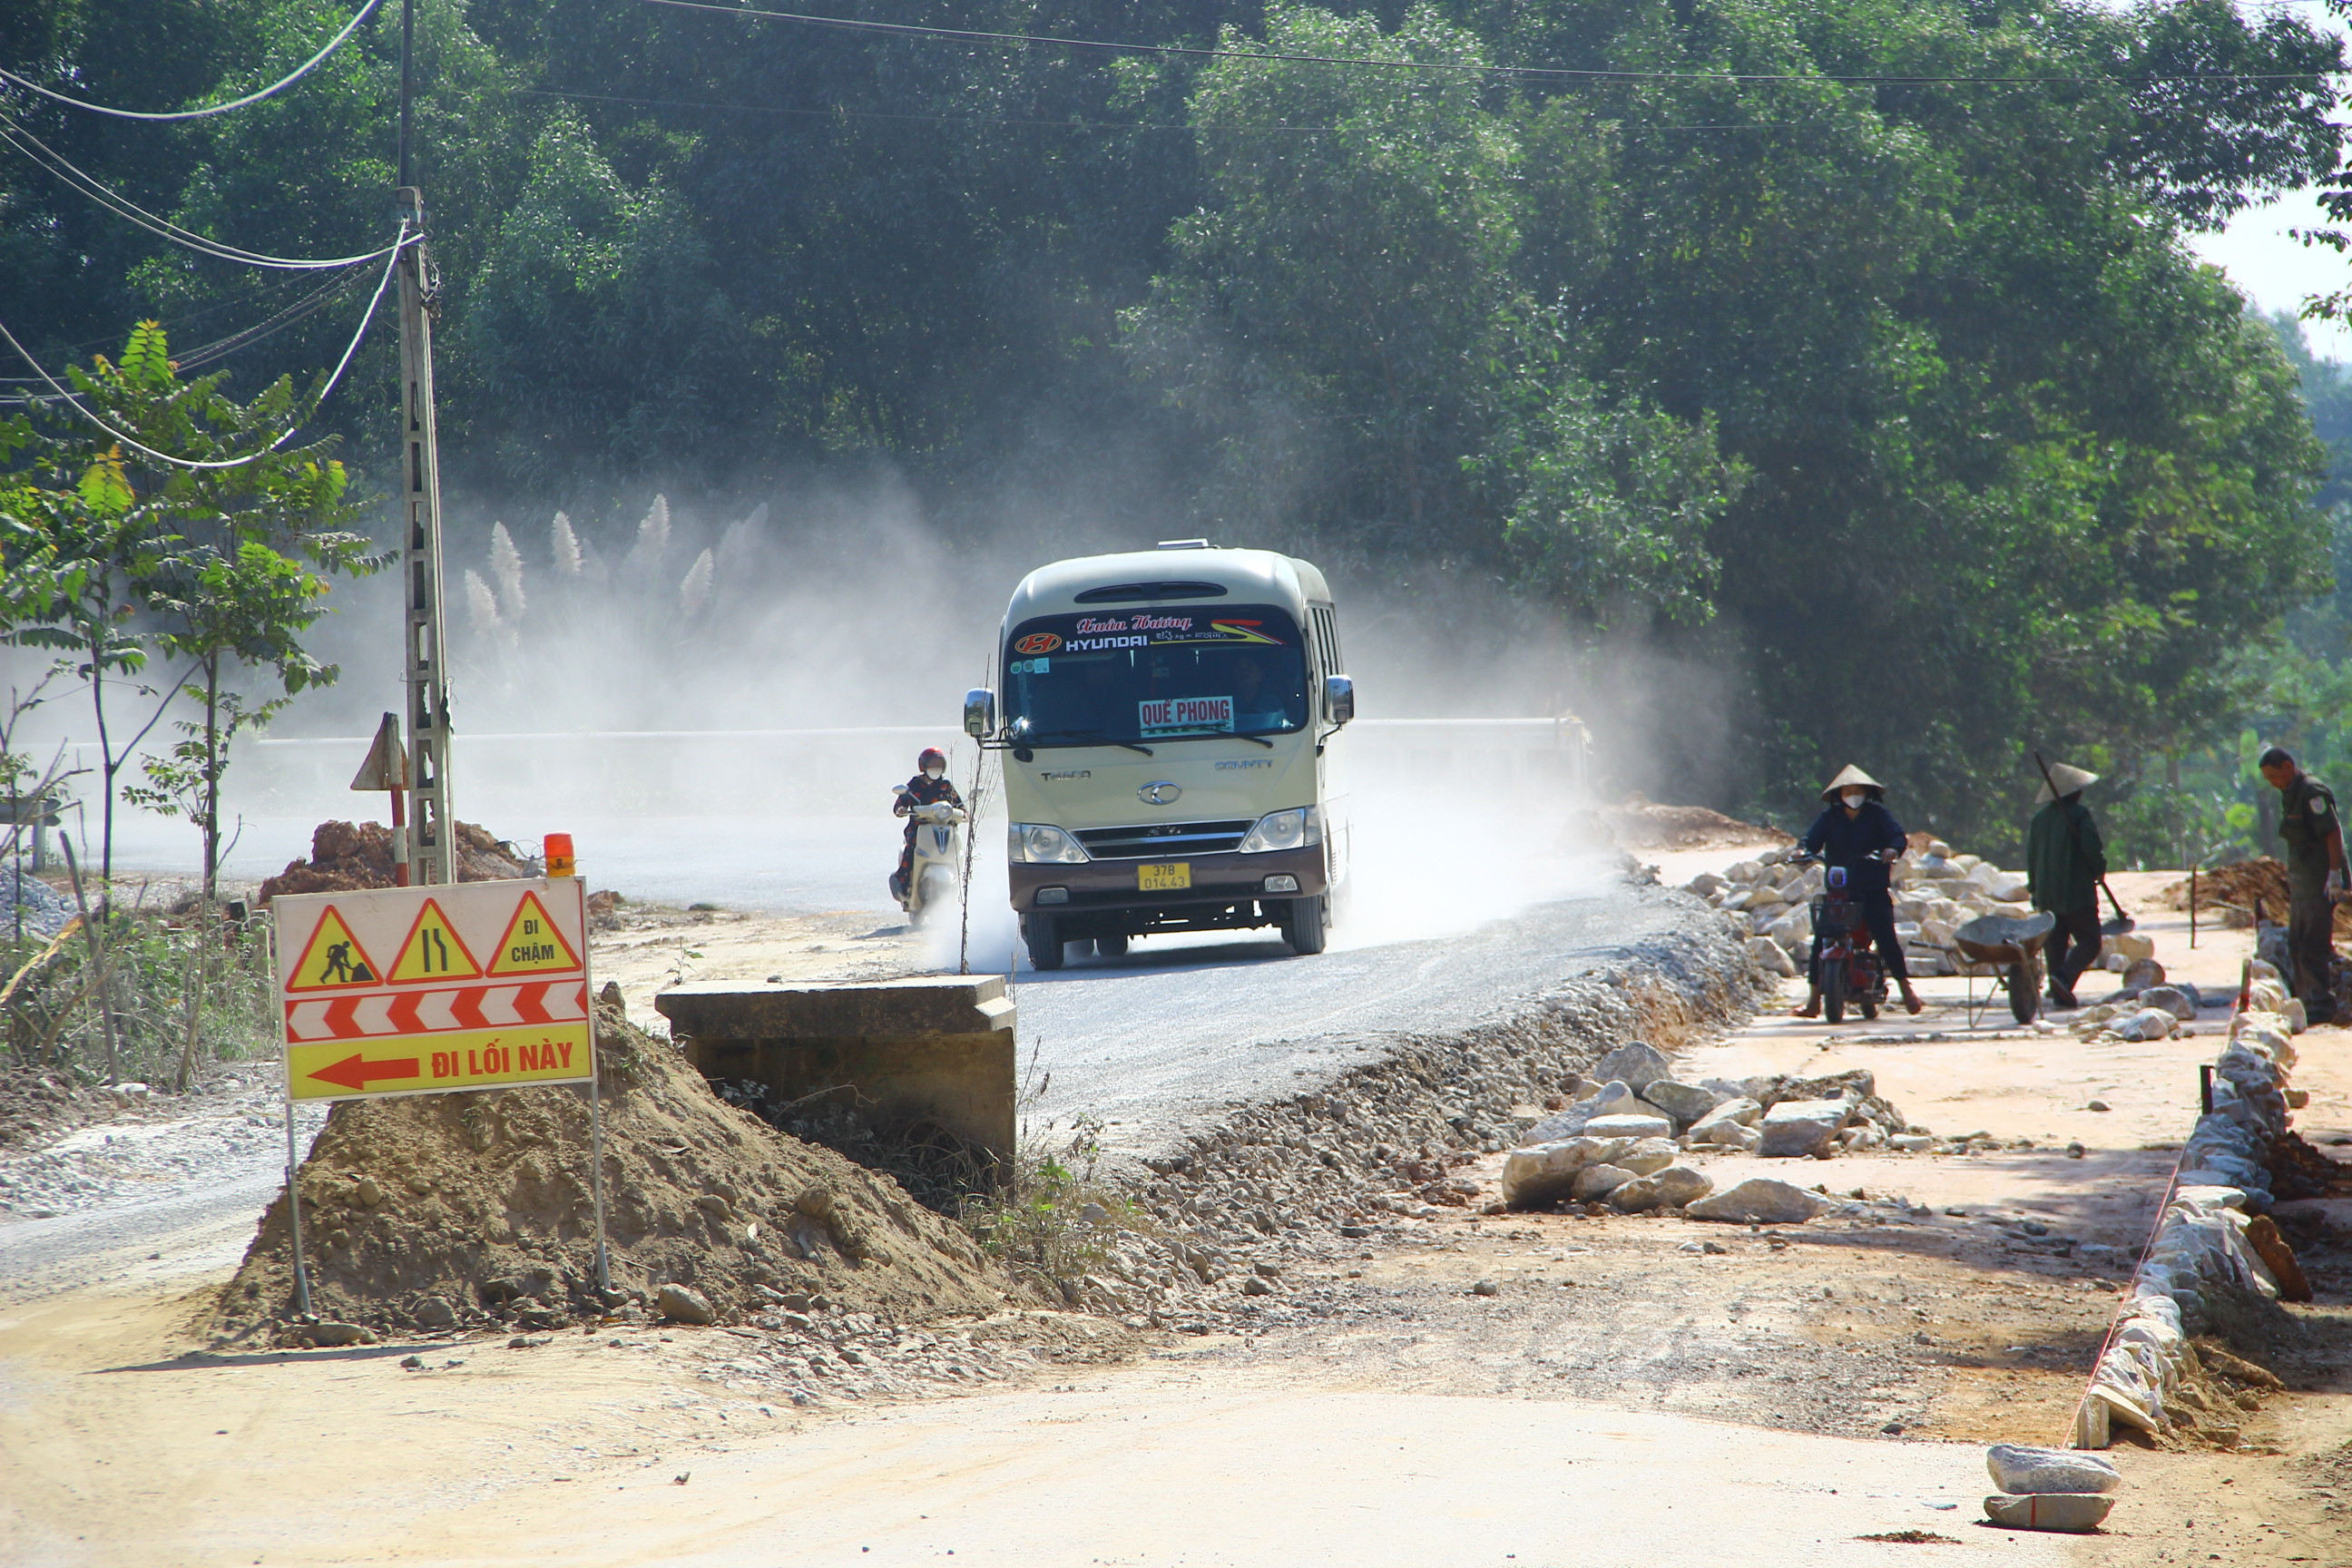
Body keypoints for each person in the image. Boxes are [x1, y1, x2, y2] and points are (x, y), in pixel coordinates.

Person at [1793, 764, 1923, 1017]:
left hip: (1873, 887)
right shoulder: (1828, 818)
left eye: (1857, 790)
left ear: (1866, 792)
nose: (1853, 794)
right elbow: (1810, 841)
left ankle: (1906, 989)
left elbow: (1897, 837)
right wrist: (1801, 851)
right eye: (1848, 790)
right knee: (1821, 939)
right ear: (1839, 794)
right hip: (1840, 890)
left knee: (1886, 938)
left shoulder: (1878, 815)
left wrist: (1892, 850)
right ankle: (1813, 1002)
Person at [2258, 746, 2344, 1024]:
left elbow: (2332, 833)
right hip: (2303, 883)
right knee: (2296, 943)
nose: (2273, 783)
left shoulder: (2311, 793)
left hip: (2320, 883)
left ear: (2287, 766)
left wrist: (2334, 875)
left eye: (2274, 776)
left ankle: (2322, 1004)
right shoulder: (2291, 795)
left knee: (2312, 945)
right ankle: (2305, 1001)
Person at [2026, 761, 2105, 1010]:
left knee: (2055, 947)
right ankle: (2063, 978)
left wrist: (2034, 889)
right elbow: (2092, 848)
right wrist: (2099, 871)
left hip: (2047, 893)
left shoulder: (2039, 820)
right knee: (2091, 942)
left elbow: (2031, 856)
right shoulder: (2079, 815)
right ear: (2074, 793)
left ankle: (2061, 993)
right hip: (2077, 891)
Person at [890, 746, 964, 905]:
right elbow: (901, 802)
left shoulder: (946, 786)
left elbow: (959, 804)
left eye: (939, 764)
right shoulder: (915, 784)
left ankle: (962, 889)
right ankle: (903, 882)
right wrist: (901, 809)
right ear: (923, 766)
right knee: (911, 848)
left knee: (960, 852)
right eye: (932, 764)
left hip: (944, 828)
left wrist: (965, 812)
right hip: (919, 829)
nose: (935, 768)